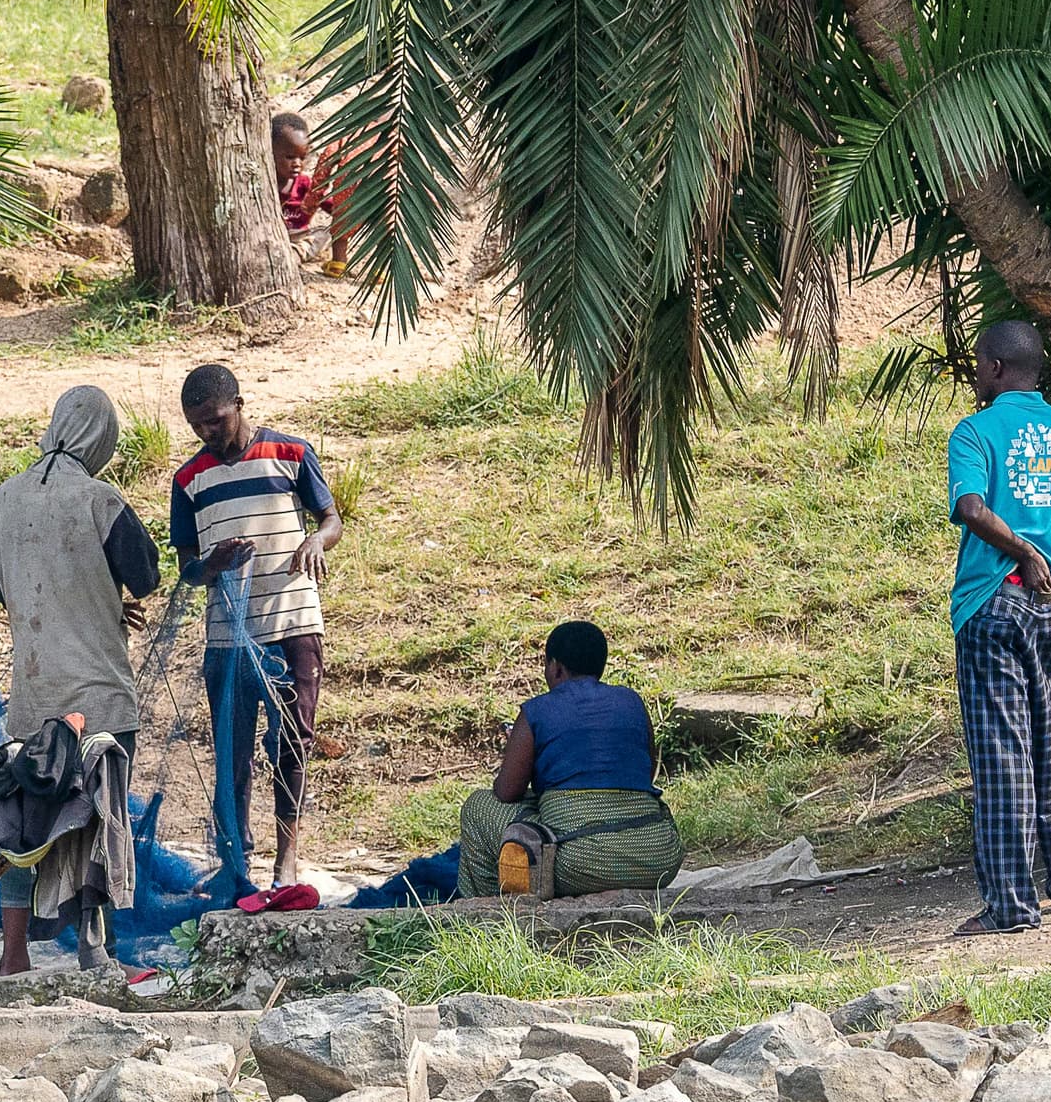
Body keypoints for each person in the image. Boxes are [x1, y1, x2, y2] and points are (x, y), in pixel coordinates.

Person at [0, 385, 162, 972]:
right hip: (99, 694)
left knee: (25, 825)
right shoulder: (98, 498)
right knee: (97, 816)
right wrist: (105, 598)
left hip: (32, 698)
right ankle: (94, 951)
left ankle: (12, 957)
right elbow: (147, 573)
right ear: (100, 437)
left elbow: (0, 589)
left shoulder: (0, 501)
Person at [946, 318, 1051, 934]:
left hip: (992, 602)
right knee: (1050, 748)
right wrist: (1050, 569)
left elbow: (970, 508)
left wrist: (1019, 552)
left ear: (993, 368)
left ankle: (1012, 907)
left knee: (1000, 755)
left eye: (979, 366)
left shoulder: (976, 431)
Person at [347, 620, 680, 906]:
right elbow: (644, 773)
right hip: (657, 856)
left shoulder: (537, 710)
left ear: (556, 667)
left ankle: (486, 909)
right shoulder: (632, 702)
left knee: (478, 807)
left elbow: (506, 791)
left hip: (581, 863)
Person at [173, 361, 343, 908]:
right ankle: (237, 856)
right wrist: (212, 565)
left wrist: (318, 543)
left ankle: (287, 855)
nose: (207, 433)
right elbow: (187, 569)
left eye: (216, 421)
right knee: (234, 749)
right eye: (196, 425)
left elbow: (330, 520)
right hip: (229, 634)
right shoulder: (189, 479)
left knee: (292, 740)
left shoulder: (291, 454)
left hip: (293, 621)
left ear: (240, 405)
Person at [270, 111, 347, 276]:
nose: (297, 164)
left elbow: (331, 206)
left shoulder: (305, 184)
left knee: (323, 232)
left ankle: (294, 256)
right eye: (290, 157)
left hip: (298, 238)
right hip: (271, 236)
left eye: (302, 158)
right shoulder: (265, 183)